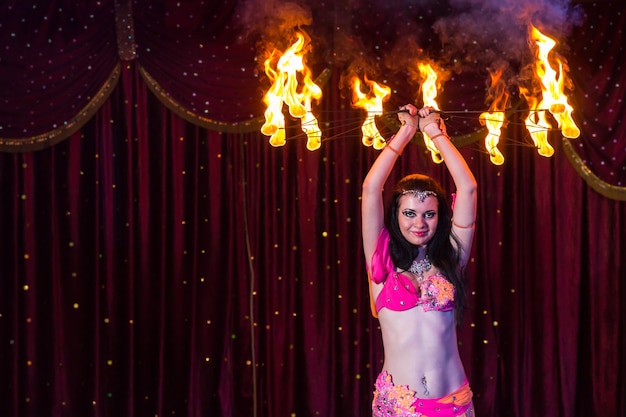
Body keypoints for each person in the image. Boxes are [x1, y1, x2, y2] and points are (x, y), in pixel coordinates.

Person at [362, 104, 477, 417]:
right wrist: (406, 131)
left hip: (453, 405)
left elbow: (467, 188)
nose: (419, 223)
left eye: (429, 214)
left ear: (440, 218)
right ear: (396, 215)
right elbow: (371, 188)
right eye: (409, 213)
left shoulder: (452, 258)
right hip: (396, 408)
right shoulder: (380, 261)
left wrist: (434, 132)